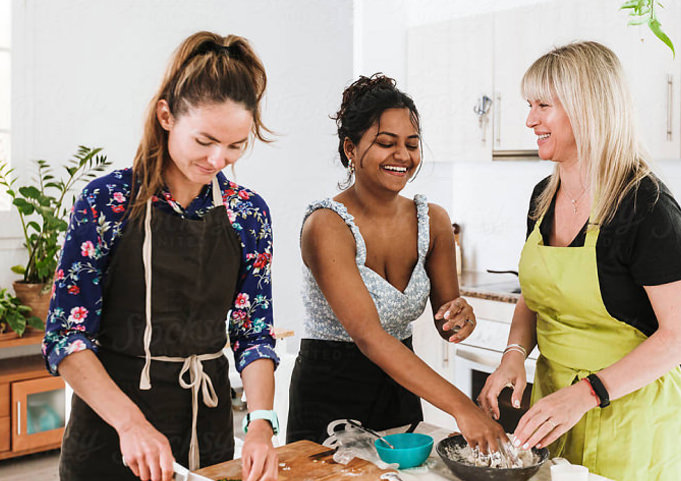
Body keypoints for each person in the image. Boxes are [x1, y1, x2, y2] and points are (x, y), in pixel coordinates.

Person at [42, 32, 280, 481]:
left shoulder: (249, 214)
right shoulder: (106, 201)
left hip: (206, 433)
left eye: (235, 146)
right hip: (111, 434)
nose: (217, 159)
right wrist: (131, 424)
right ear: (166, 115)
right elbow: (66, 337)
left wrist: (261, 423)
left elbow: (253, 333)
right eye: (205, 140)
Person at [478, 41, 681, 480]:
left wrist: (588, 393)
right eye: (529, 105)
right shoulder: (542, 197)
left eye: (543, 105)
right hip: (554, 409)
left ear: (587, 107)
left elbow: (677, 337)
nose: (530, 119)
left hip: (632, 418)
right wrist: (514, 354)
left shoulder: (645, 207)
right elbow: (534, 296)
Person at [286, 74, 506, 454]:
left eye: (412, 144)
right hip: (328, 397)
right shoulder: (326, 225)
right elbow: (370, 337)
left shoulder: (432, 220)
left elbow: (447, 321)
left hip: (400, 393)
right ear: (351, 149)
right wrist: (461, 408)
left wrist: (461, 318)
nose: (402, 156)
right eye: (386, 143)